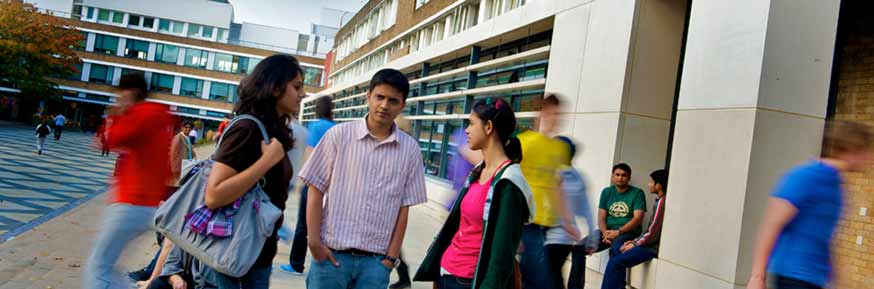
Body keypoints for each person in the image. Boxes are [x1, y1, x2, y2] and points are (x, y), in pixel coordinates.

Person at [300, 68, 427, 289]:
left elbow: (404, 207)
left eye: (393, 100)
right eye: (380, 97)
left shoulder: (410, 150)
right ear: (368, 97)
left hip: (375, 265)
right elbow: (315, 188)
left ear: (402, 105)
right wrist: (314, 242)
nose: (385, 105)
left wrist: (390, 259)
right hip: (331, 258)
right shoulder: (339, 136)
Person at [202, 54, 303, 289]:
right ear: (276, 87)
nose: (302, 94)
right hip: (233, 255)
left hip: (255, 253)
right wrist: (266, 162)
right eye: (297, 87)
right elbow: (214, 196)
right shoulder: (248, 129)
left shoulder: (273, 130)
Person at [413, 97, 534, 289]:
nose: (466, 130)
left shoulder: (508, 184)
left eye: (471, 123)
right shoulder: (478, 171)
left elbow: (501, 257)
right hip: (447, 274)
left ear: (488, 127)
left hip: (471, 281)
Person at [747, 121, 874, 289]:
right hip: (793, 278)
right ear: (852, 149)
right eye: (867, 151)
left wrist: (838, 279)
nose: (870, 158)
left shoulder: (836, 186)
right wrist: (757, 276)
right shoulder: (806, 177)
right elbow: (772, 224)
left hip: (815, 280)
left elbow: (823, 238)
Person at [82, 74, 177, 289]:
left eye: (119, 93)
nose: (116, 98)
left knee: (98, 267)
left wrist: (116, 114)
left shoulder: (141, 114)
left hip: (130, 202)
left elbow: (109, 140)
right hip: (147, 202)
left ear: (131, 92)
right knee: (107, 266)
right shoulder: (160, 116)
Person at [516, 94, 575, 289]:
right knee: (541, 280)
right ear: (542, 113)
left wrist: (568, 221)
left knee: (532, 278)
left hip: (547, 224)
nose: (557, 118)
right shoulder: (525, 142)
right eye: (553, 113)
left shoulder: (559, 149)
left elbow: (556, 187)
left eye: (560, 114)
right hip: (526, 221)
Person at [279, 95, 334, 276]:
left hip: (314, 183)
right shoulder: (336, 127)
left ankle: (296, 264)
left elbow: (310, 154)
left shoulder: (316, 126)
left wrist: (303, 179)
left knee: (304, 224)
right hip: (331, 184)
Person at [543, 136, 599, 289]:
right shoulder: (578, 177)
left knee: (548, 279)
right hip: (566, 239)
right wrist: (591, 239)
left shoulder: (550, 174)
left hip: (548, 236)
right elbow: (586, 209)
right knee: (553, 277)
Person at [601, 169, 668, 289]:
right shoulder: (658, 201)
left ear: (659, 185)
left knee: (615, 262)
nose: (649, 184)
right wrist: (634, 241)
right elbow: (649, 230)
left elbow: (653, 232)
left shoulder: (662, 203)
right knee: (617, 253)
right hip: (646, 244)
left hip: (651, 247)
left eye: (652, 182)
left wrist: (635, 243)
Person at [576, 163, 647, 276]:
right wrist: (604, 233)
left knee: (616, 249)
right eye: (617, 175)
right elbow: (601, 217)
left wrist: (618, 232)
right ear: (612, 176)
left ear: (629, 178)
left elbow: (638, 218)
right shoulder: (607, 192)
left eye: (624, 175)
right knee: (578, 248)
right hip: (607, 231)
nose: (620, 178)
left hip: (628, 232)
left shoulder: (637, 193)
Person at [145, 245, 219, 289]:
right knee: (157, 283)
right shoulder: (189, 231)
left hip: (211, 285)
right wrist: (174, 277)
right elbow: (171, 262)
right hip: (188, 281)